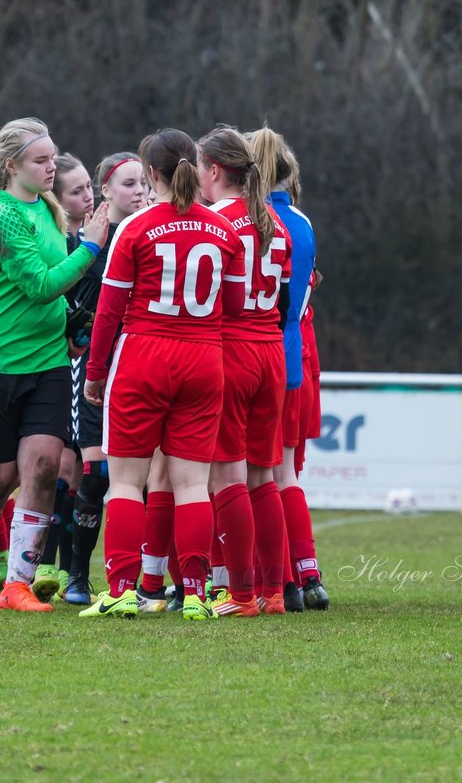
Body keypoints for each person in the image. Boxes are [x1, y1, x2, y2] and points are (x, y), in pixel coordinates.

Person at [80, 127, 246, 621]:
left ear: (152, 173)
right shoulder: (225, 231)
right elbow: (234, 307)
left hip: (144, 357)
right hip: (203, 358)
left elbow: (109, 312)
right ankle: (195, 594)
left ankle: (123, 591)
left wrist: (95, 372)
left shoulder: (135, 227)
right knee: (193, 483)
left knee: (127, 482)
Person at [0, 117, 110, 612]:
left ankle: (18, 583)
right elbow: (40, 283)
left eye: (52, 158)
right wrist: (91, 248)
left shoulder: (48, 209)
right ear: (10, 165)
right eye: (40, 160)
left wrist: (72, 326)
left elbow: (51, 299)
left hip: (47, 362)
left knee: (42, 466)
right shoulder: (0, 216)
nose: (50, 167)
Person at [198, 126, 292, 617]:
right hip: (271, 352)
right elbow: (284, 297)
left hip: (231, 350)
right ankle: (272, 593)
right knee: (264, 477)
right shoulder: (273, 221)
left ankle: (238, 597)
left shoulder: (215, 222)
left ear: (213, 170)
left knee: (227, 474)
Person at [58, 151, 148, 605]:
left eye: (144, 183)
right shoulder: (85, 243)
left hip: (141, 365)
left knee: (149, 478)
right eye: (129, 183)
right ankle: (76, 575)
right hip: (94, 367)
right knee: (94, 474)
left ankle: (150, 576)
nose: (140, 192)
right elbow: (63, 304)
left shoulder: (150, 234)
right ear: (106, 190)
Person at [249, 127, 330, 612]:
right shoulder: (300, 222)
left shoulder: (240, 219)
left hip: (248, 355)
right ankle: (305, 577)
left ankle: (265, 580)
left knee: (244, 477)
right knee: (284, 473)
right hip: (292, 356)